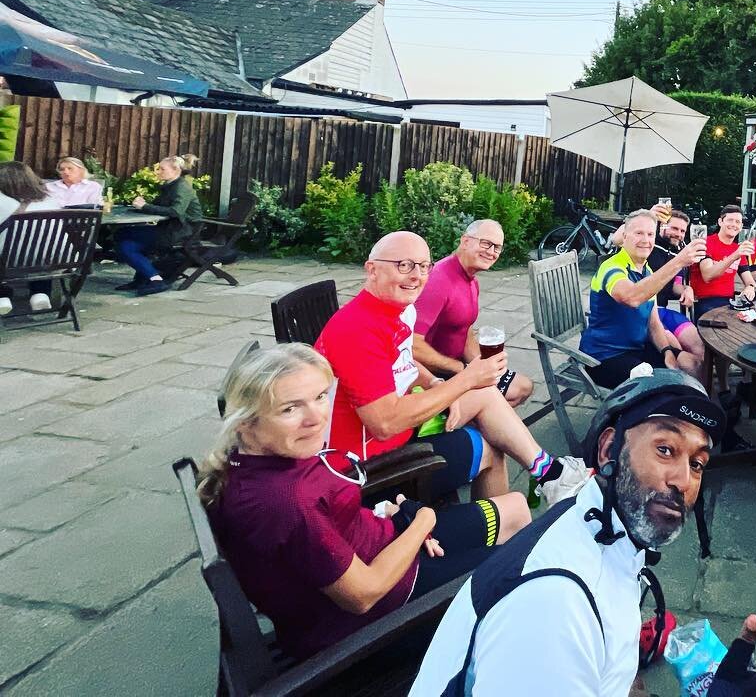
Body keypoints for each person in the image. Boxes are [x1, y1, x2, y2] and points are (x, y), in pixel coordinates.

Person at [410, 368, 756, 696]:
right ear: (606, 450)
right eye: (665, 449)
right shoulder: (555, 611)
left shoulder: (606, 534)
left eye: (697, 463)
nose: (683, 481)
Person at [198, 344, 529, 661]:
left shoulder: (256, 461)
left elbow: (329, 521)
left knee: (515, 508)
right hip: (382, 617)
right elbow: (364, 594)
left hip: (384, 540)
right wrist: (422, 522)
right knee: (529, 572)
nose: (316, 418)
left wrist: (386, 512)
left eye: (319, 397)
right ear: (245, 422)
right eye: (290, 408)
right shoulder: (285, 502)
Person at [315, 231, 588, 505]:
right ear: (372, 269)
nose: (417, 276)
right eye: (404, 265)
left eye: (423, 266)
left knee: (487, 396)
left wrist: (437, 384)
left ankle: (549, 475)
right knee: (492, 445)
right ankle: (516, 511)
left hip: (399, 430)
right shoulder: (357, 329)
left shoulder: (400, 309)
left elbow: (405, 362)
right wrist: (465, 379)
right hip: (363, 468)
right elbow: (385, 423)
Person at [410, 219, 534, 410]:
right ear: (465, 241)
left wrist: (483, 365)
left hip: (459, 368)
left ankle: (481, 425)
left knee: (523, 387)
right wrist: (462, 369)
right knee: (508, 396)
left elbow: (464, 329)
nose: (491, 252)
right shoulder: (438, 282)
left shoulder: (471, 281)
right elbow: (412, 345)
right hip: (435, 375)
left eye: (497, 247)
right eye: (486, 243)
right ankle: (471, 429)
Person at [579, 210, 709, 387]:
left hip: (637, 350)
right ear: (624, 237)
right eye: (638, 233)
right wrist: (679, 261)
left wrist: (667, 352)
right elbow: (631, 297)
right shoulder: (611, 267)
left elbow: (654, 323)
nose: (645, 240)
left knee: (692, 363)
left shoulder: (647, 271)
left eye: (650, 234)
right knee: (661, 383)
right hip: (603, 357)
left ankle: (705, 408)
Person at [115, 153, 204, 296]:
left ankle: (155, 279)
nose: (158, 172)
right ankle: (144, 277)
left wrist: (144, 206)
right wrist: (137, 205)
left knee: (125, 243)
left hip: (183, 232)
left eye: (162, 169)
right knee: (123, 234)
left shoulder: (181, 187)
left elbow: (175, 211)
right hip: (171, 228)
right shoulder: (170, 186)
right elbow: (156, 206)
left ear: (176, 170)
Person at [0, 161, 61, 315]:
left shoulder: (2, 200)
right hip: (54, 260)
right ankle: (40, 293)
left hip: (9, 262)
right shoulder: (50, 201)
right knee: (40, 247)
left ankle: (2, 295)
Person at [688, 204, 754, 319]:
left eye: (738, 222)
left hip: (729, 302)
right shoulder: (706, 243)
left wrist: (750, 287)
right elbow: (708, 275)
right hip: (705, 302)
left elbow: (750, 281)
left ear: (741, 226)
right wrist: (734, 256)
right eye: (730, 220)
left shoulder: (737, 249)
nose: (734, 224)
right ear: (720, 222)